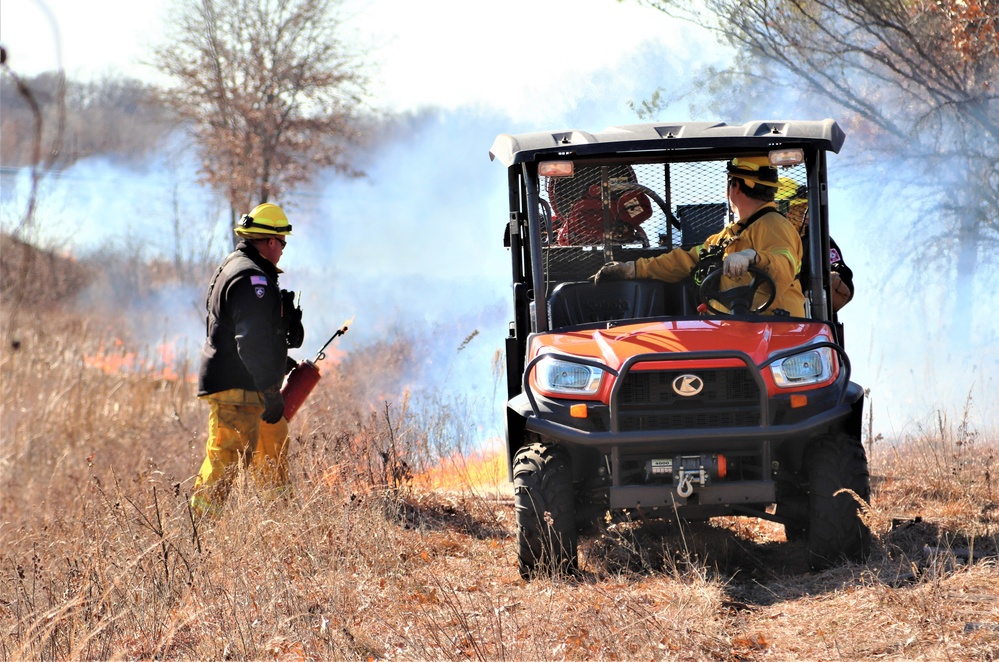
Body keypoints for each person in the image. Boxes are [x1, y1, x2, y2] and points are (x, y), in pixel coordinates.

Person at [190, 202, 304, 518]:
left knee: (272, 444)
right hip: (238, 387)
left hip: (243, 383)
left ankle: (280, 521)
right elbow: (249, 342)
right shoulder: (251, 280)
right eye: (282, 242)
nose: (282, 250)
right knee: (227, 456)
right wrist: (270, 390)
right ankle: (199, 533)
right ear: (269, 241)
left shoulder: (236, 267)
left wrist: (277, 363)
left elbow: (243, 334)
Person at [592, 157, 805, 316]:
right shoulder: (726, 237)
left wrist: (752, 256)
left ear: (735, 186)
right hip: (735, 329)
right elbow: (685, 261)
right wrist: (632, 269)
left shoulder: (774, 225)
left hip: (773, 330)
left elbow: (783, 264)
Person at [777, 179, 854, 312]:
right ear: (782, 213)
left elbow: (845, 284)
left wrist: (829, 280)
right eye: (799, 211)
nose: (806, 216)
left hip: (808, 318)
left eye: (806, 210)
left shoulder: (819, 241)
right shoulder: (766, 241)